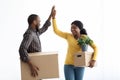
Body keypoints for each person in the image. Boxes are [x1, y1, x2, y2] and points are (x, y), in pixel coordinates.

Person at [51, 7, 98, 80]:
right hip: (68, 65)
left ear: (80, 29)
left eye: (75, 28)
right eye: (71, 28)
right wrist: (53, 18)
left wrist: (93, 60)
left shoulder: (85, 38)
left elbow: (96, 47)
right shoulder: (68, 36)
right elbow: (56, 31)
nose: (72, 29)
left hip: (80, 65)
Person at [19, 6, 54, 78]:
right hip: (32, 68)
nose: (40, 23)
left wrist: (51, 15)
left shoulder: (35, 32)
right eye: (39, 21)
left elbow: (44, 27)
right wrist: (31, 65)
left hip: (37, 67)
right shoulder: (30, 34)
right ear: (34, 22)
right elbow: (22, 49)